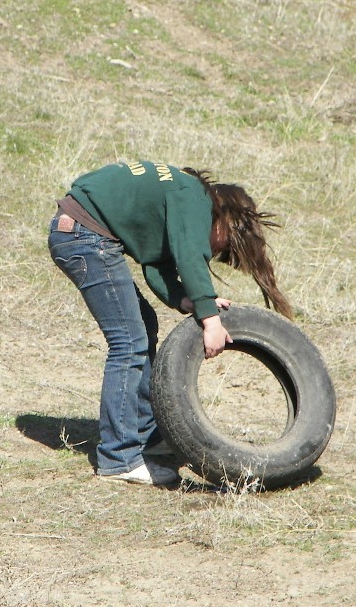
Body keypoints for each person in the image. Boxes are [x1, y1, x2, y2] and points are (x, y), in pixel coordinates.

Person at [48, 161, 293, 486]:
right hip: (85, 236)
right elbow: (189, 254)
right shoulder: (193, 197)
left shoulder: (181, 196)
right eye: (223, 245)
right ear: (226, 220)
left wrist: (189, 300)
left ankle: (147, 436)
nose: (216, 250)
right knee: (129, 341)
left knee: (142, 325)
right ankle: (119, 457)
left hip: (81, 232)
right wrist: (210, 320)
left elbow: (157, 266)